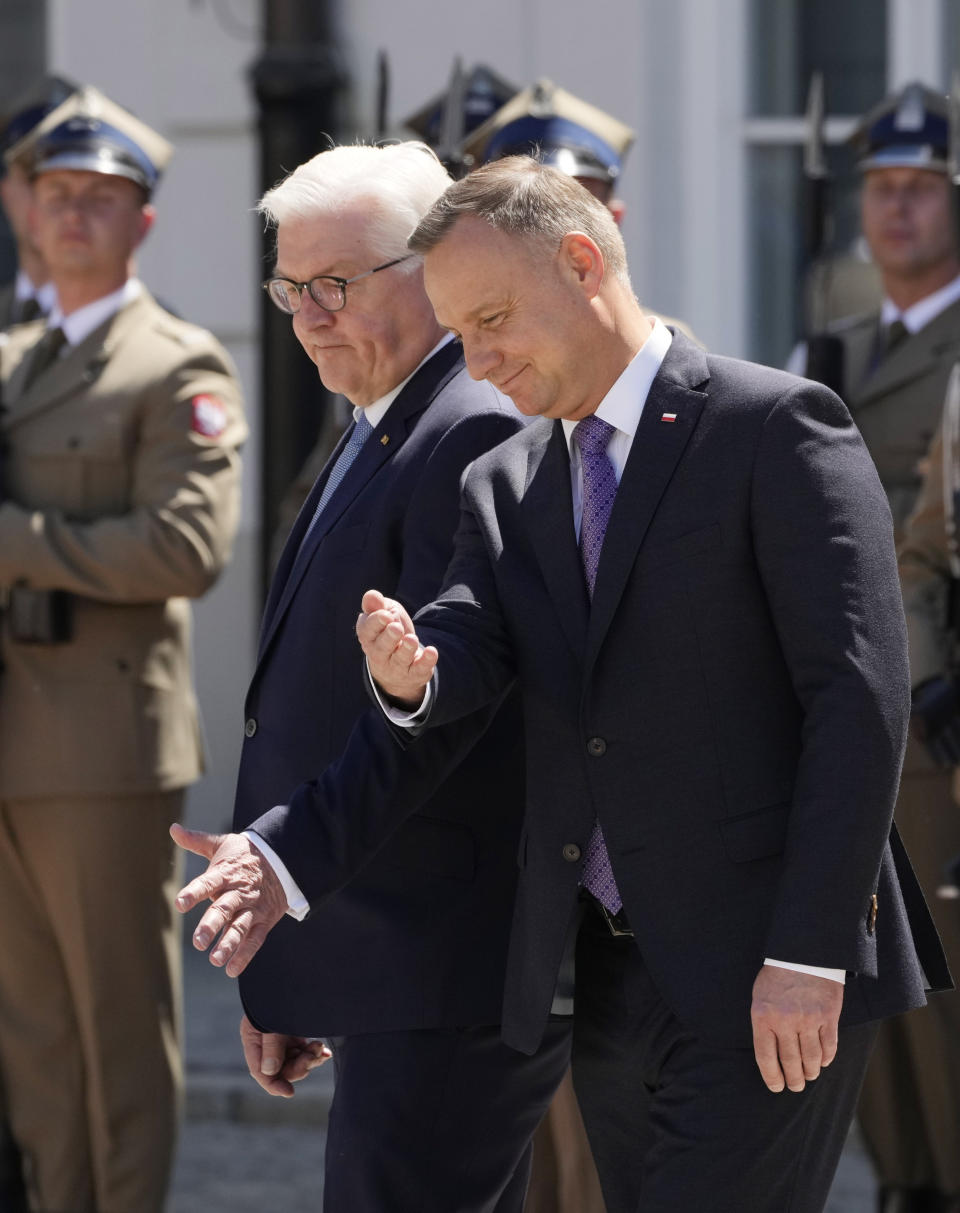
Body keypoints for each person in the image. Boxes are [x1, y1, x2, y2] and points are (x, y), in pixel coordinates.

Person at [176, 158, 950, 1213]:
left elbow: (858, 703)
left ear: (582, 263)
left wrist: (813, 953)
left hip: (766, 959)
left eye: (492, 319)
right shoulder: (512, 473)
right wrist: (412, 676)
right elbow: (465, 651)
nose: (479, 360)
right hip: (610, 981)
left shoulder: (771, 425)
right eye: (460, 329)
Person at [173, 141, 570, 1213]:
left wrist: (284, 882)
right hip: (384, 962)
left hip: (443, 972)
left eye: (337, 284)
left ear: (434, 272)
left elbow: (439, 721)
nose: (308, 315)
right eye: (290, 288)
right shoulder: (388, 417)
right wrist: (300, 962)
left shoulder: (471, 427)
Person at [0, 85, 246, 1213]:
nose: (74, 217)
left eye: (101, 199)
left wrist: (17, 541)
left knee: (118, 1037)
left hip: (99, 749)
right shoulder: (16, 361)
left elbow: (185, 547)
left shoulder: (177, 366)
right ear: (22, 206)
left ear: (142, 221)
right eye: (56, 194)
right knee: (37, 1043)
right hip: (15, 739)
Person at [801, 81, 960, 1213]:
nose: (896, 211)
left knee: (939, 967)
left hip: (926, 690)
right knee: (858, 960)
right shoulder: (834, 343)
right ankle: (902, 1174)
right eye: (881, 189)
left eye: (920, 189)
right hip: (831, 689)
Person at [0, 75, 77, 327]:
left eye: (60, 184)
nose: (45, 199)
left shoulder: (152, 339)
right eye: (32, 178)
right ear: (6, 191)